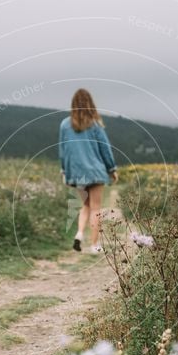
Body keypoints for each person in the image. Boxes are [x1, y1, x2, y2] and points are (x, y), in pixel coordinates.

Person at [59, 88, 118, 254]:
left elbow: (63, 151)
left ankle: (78, 234)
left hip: (77, 174)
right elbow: (105, 149)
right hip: (95, 172)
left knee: (85, 206)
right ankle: (94, 245)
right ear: (90, 104)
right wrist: (112, 169)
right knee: (96, 208)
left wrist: (65, 171)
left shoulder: (64, 125)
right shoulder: (95, 124)